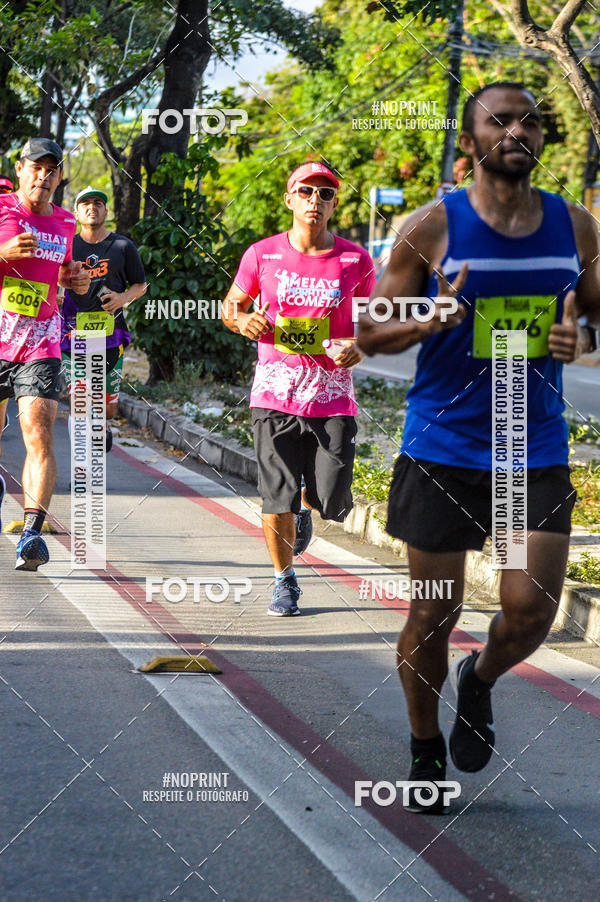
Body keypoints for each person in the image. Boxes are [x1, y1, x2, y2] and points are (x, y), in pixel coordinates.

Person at [357, 82, 599, 813]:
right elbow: (370, 330)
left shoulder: (578, 228)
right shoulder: (431, 226)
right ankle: (426, 748)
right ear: (471, 142)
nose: (515, 129)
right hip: (443, 449)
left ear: (540, 139)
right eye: (499, 119)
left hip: (529, 450)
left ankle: (482, 680)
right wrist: (424, 321)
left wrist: (578, 338)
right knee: (434, 610)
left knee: (529, 608)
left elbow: (594, 319)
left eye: (528, 119)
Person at [222, 161, 375, 616]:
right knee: (276, 495)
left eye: (325, 194)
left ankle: (308, 506)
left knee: (331, 500)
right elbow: (231, 306)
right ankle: (283, 580)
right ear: (289, 199)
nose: (315, 201)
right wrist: (241, 319)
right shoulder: (262, 254)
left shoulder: (355, 260)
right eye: (306, 192)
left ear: (333, 203)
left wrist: (359, 346)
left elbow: (372, 321)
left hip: (332, 399)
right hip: (274, 396)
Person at [0, 138, 90, 569]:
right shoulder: (1, 210)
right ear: (20, 169)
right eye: (36, 167)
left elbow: (64, 270)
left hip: (41, 342)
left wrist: (75, 280)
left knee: (39, 435)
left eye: (52, 169)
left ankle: (32, 534)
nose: (44, 175)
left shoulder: (67, 222)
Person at [59, 186, 146, 451]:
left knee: (107, 407)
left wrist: (121, 299)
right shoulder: (67, 245)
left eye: (98, 203)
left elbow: (141, 285)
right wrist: (57, 297)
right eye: (85, 203)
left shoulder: (122, 246)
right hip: (73, 334)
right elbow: (50, 278)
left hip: (110, 335)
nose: (92, 207)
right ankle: (82, 463)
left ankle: (103, 423)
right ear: (77, 212)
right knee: (79, 397)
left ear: (106, 211)